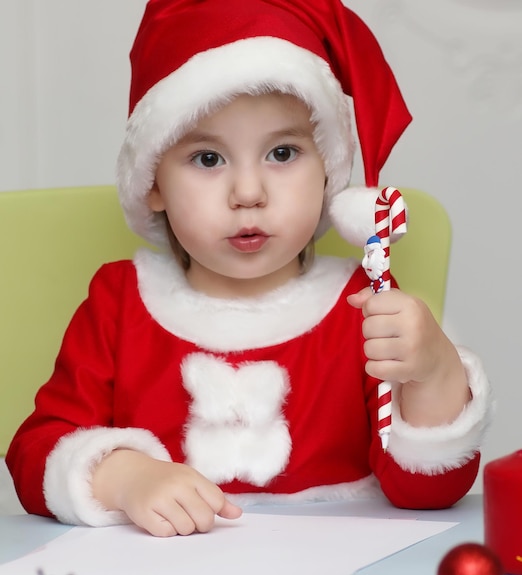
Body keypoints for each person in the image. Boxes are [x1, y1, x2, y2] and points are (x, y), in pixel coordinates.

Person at [6, 0, 492, 538]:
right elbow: (33, 454)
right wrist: (123, 476)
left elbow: (427, 492)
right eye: (208, 159)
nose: (248, 193)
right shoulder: (119, 303)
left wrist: (435, 374)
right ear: (153, 183)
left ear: (329, 171)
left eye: (282, 153)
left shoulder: (362, 302)